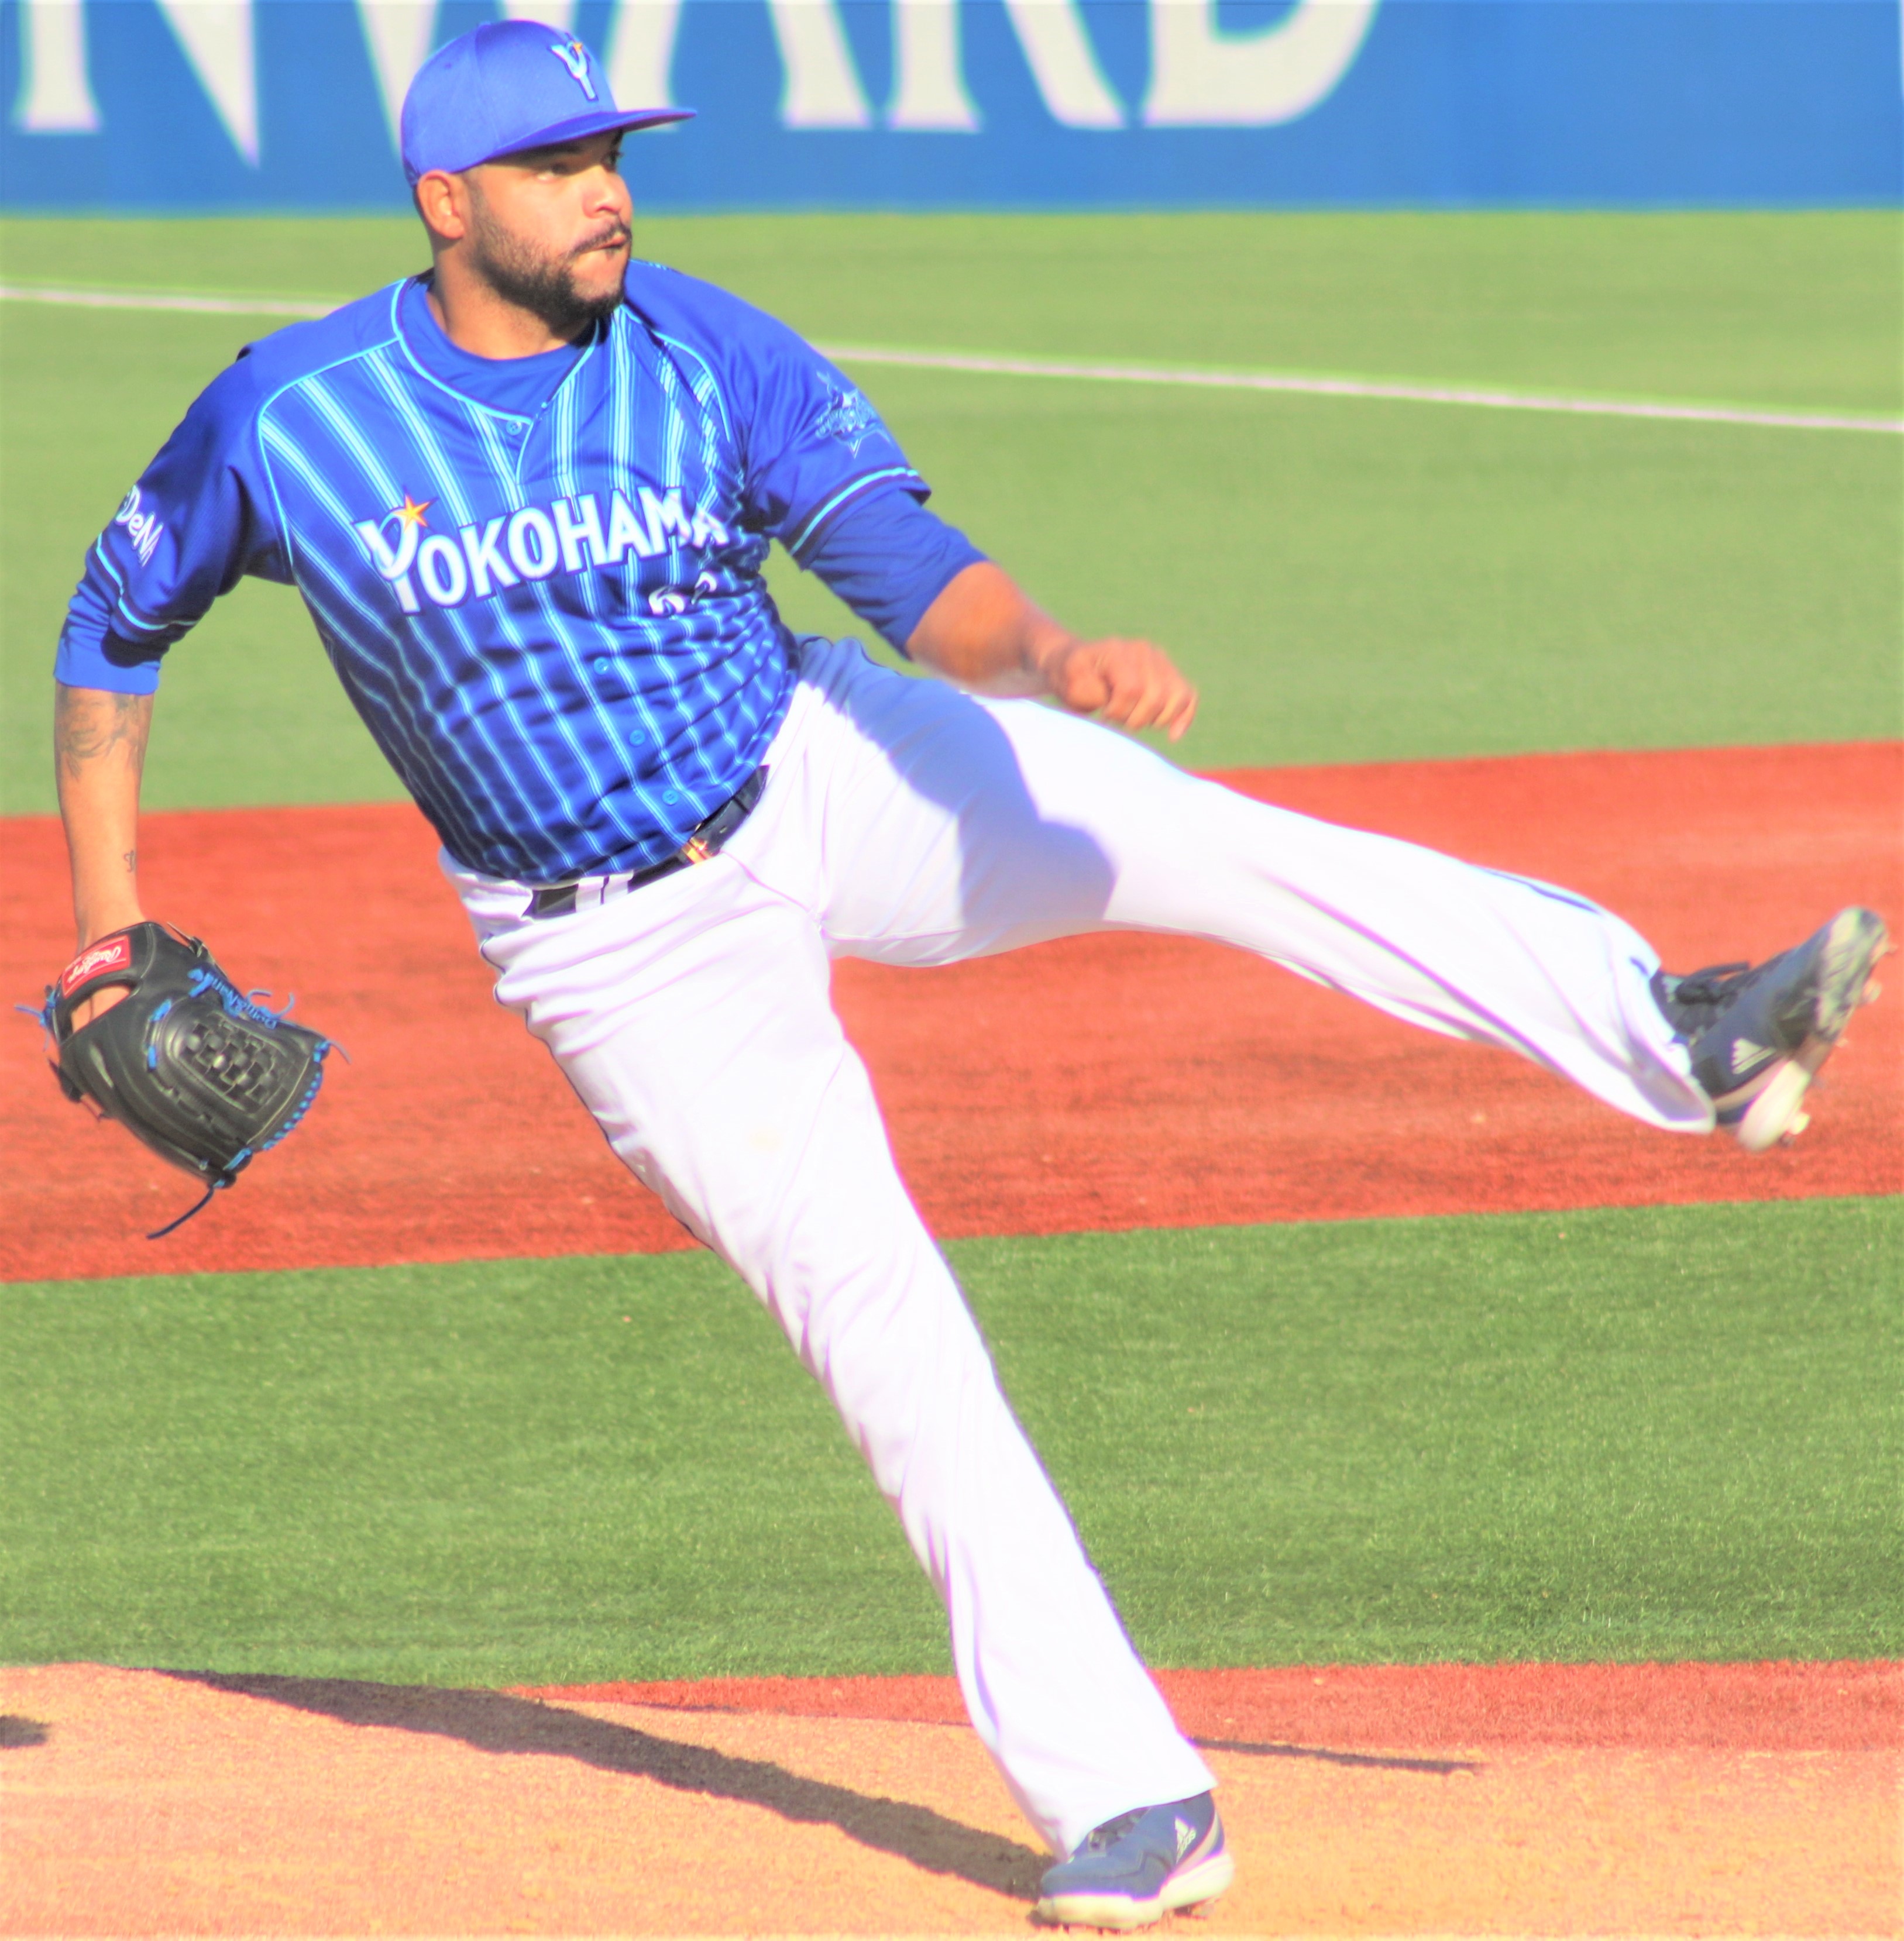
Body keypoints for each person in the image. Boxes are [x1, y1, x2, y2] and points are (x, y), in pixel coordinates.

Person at [51, 21, 1885, 1929]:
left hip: (821, 764)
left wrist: (1054, 656)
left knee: (1209, 838)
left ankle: (1680, 1038)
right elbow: (113, 624)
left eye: (615, 153)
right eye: (555, 164)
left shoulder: (698, 348)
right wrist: (107, 929)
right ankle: (1135, 1803)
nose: (606, 189)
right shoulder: (296, 419)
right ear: (447, 202)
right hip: (621, 948)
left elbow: (909, 574)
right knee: (891, 1328)